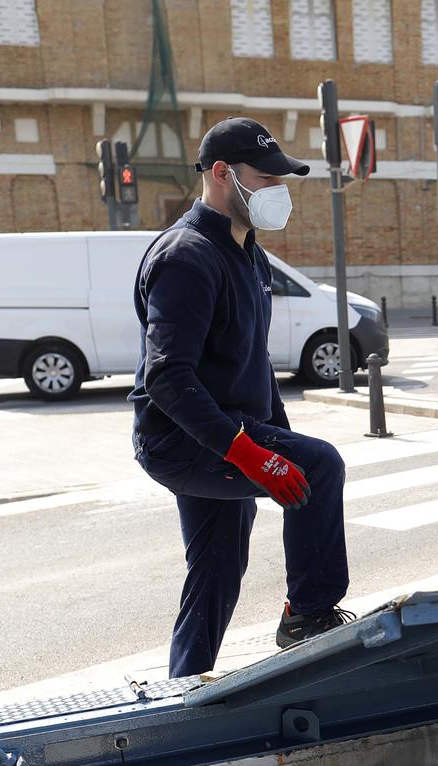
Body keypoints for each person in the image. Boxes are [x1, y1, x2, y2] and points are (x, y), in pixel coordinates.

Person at [131, 117, 353, 679]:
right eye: (269, 178)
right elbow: (166, 377)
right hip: (183, 440)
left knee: (217, 566)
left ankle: (183, 686)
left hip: (227, 432)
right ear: (224, 175)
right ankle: (307, 614)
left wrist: (280, 437)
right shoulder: (186, 256)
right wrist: (249, 451)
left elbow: (252, 363)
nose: (280, 191)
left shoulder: (249, 255)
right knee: (320, 467)